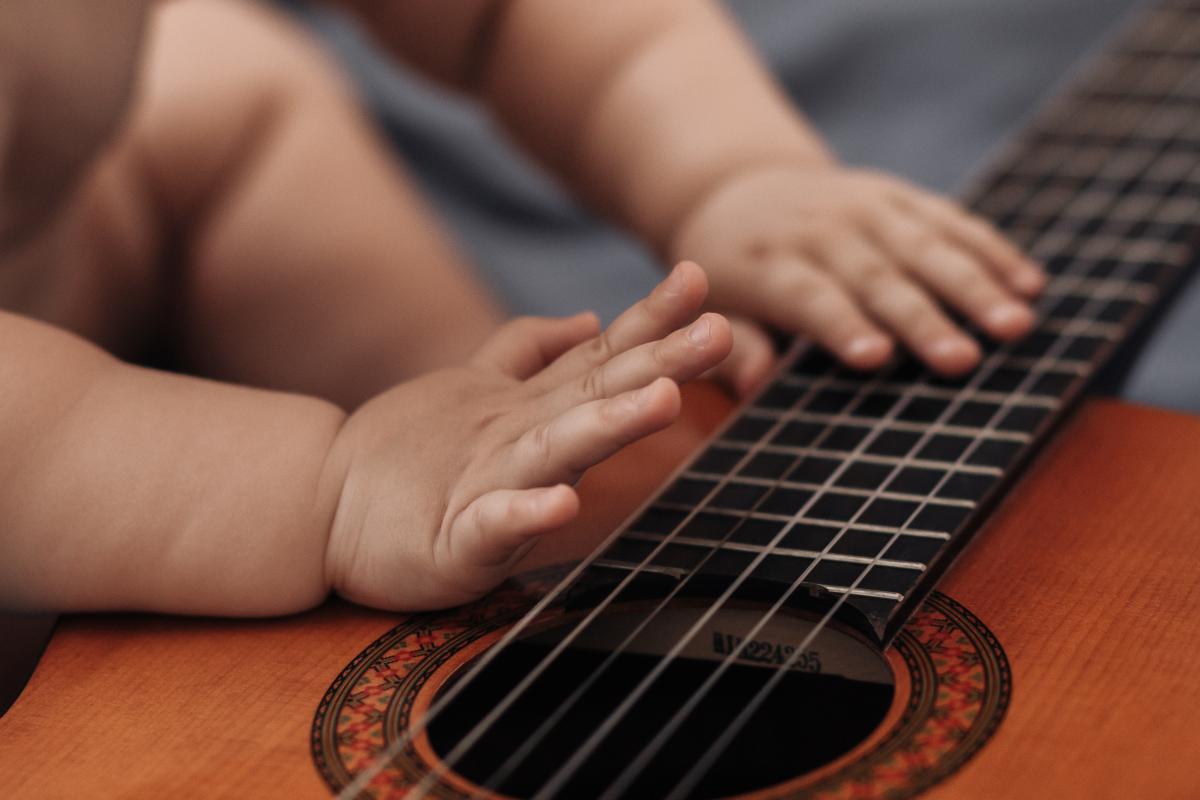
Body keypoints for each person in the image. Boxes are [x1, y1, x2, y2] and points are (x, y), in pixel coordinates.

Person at [0, 0, 1041, 617]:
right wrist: (321, 486)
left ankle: (473, 440)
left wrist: (725, 173)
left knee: (228, 73)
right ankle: (369, 483)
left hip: (84, 255)